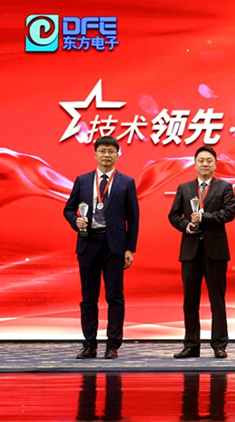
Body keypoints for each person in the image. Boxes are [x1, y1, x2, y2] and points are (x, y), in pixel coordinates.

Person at [64, 136, 140, 360]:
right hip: (88, 243)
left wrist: (130, 248)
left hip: (114, 245)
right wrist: (75, 221)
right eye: (103, 151)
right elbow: (68, 209)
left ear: (117, 155)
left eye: (111, 151)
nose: (107, 155)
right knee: (88, 297)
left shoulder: (126, 182)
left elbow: (133, 218)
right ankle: (89, 344)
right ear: (95, 154)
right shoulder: (83, 181)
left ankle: (112, 345)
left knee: (115, 296)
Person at [168, 146, 235, 359]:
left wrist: (204, 217)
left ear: (215, 164)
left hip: (216, 251)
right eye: (201, 160)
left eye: (209, 160)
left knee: (217, 300)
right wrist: (186, 225)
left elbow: (229, 213)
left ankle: (219, 345)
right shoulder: (184, 188)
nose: (205, 164)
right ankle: (191, 345)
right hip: (190, 251)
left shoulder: (224, 187)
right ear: (195, 164)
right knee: (190, 301)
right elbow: (173, 215)